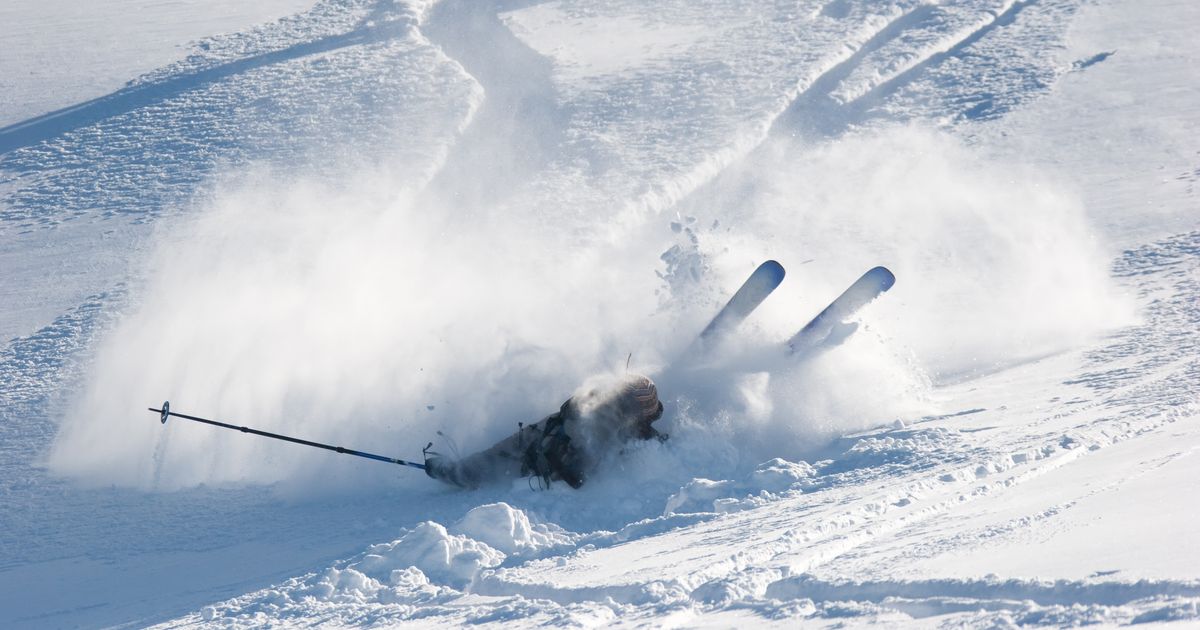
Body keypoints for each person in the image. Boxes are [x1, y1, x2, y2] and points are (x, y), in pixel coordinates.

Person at [423, 373, 666, 489]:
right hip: (544, 443)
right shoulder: (600, 418)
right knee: (505, 454)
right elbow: (576, 469)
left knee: (509, 453)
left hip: (548, 456)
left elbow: (577, 475)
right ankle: (461, 472)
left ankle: (464, 471)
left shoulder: (636, 430)